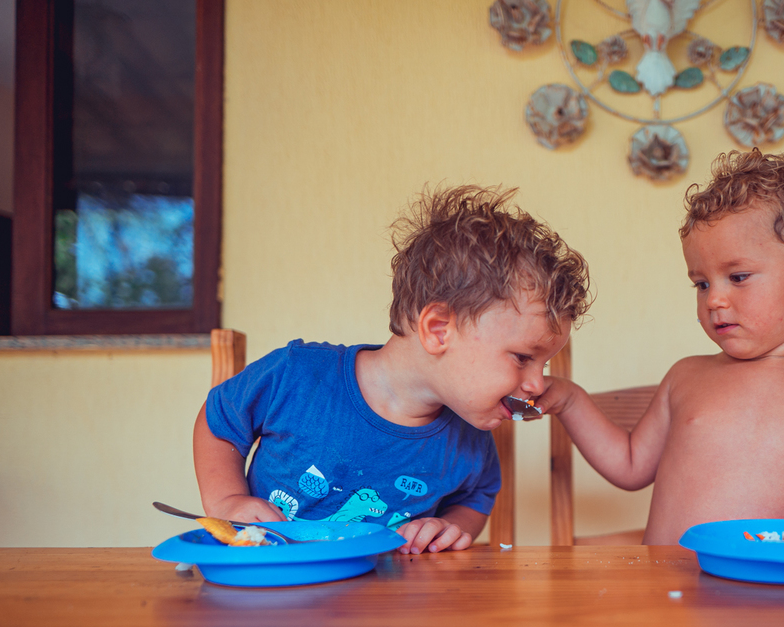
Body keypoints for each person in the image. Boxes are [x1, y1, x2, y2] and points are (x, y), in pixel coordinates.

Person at [536, 150, 784, 554]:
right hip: (670, 597)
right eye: (701, 283)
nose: (715, 300)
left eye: (737, 277)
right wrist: (570, 399)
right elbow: (631, 466)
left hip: (776, 594)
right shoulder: (685, 376)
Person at [193, 186, 591, 555]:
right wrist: (228, 500)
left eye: (544, 364)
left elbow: (476, 496)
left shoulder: (471, 432)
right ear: (438, 330)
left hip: (384, 613)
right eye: (523, 357)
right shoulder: (299, 375)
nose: (538, 384)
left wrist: (450, 527)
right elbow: (220, 419)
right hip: (269, 592)